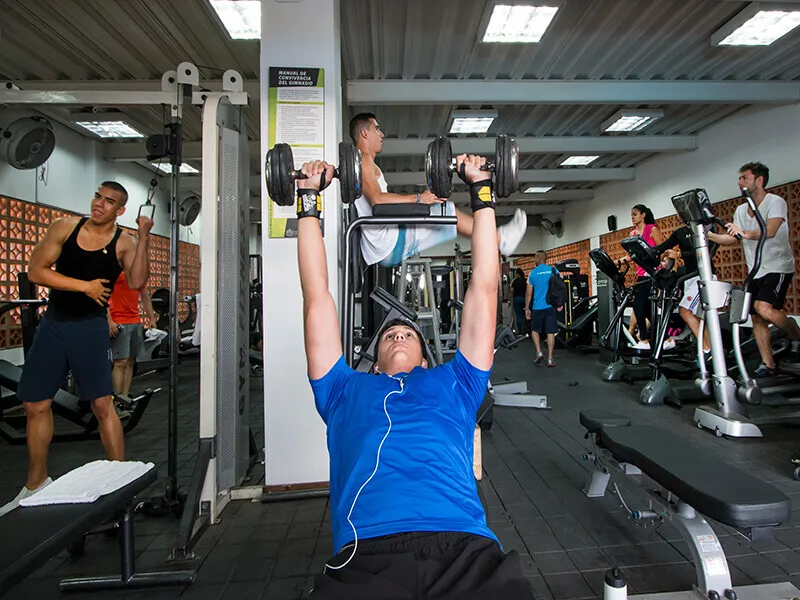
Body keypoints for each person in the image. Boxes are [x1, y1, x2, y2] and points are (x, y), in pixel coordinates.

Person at [296, 154, 538, 599]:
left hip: (465, 549)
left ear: (428, 359)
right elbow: (317, 297)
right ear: (373, 360)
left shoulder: (457, 384)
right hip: (366, 555)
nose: (400, 334)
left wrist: (482, 189)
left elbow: (484, 285)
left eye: (409, 333)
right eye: (391, 334)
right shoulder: (342, 390)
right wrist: (307, 200)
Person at [0, 182, 152, 517]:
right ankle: (36, 482)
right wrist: (84, 286)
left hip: (90, 328)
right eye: (97, 196)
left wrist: (145, 235)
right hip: (54, 324)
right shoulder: (65, 227)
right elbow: (36, 271)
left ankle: (120, 486)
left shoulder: (123, 242)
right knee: (35, 403)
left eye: (108, 201)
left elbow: (139, 281)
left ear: (120, 211)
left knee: (102, 405)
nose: (99, 204)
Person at [349, 113, 528, 266]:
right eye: (376, 128)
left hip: (382, 244)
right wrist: (419, 199)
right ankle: (500, 240)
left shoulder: (364, 162)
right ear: (364, 133)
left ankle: (496, 239)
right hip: (386, 244)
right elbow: (377, 200)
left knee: (444, 214)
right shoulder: (363, 161)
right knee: (447, 212)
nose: (382, 134)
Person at [708, 162, 800, 377]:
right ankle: (768, 365)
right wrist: (709, 236)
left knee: (763, 307)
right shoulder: (741, 210)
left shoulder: (774, 202)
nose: (740, 182)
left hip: (778, 266)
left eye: (744, 178)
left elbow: (771, 230)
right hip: (756, 270)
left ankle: (796, 335)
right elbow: (731, 238)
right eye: (739, 178)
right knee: (757, 318)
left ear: (759, 180)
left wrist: (744, 234)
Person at [653, 225, 716, 362]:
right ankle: (711, 351)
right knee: (699, 318)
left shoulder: (705, 227)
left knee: (684, 310)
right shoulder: (680, 232)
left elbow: (707, 250)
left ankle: (706, 349)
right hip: (690, 278)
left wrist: (680, 255)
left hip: (704, 276)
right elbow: (661, 247)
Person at [107, 271, 156, 398]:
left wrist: (151, 318)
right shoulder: (115, 270)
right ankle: (116, 402)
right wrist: (109, 321)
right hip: (118, 320)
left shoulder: (136, 274)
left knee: (130, 361)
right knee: (120, 362)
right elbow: (104, 295)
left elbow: (145, 296)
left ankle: (124, 398)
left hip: (135, 321)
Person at [623, 204, 664, 348]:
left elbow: (662, 250)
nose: (632, 217)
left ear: (643, 215)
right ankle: (666, 337)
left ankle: (644, 340)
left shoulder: (652, 229)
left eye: (635, 214)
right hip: (641, 275)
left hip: (652, 274)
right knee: (645, 309)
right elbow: (630, 257)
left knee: (638, 304)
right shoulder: (632, 235)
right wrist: (616, 262)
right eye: (631, 214)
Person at [524, 251, 561, 367]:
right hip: (550, 306)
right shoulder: (554, 271)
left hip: (537, 307)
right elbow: (559, 288)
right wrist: (560, 303)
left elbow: (529, 293)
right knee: (551, 332)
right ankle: (550, 358)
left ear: (537, 258)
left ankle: (539, 352)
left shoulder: (532, 273)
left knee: (534, 330)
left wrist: (527, 308)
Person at [510, 267, 528, 334]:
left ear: (517, 274)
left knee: (518, 315)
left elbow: (511, 291)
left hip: (517, 299)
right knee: (525, 314)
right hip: (525, 299)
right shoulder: (525, 280)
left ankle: (520, 331)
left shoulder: (515, 281)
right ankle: (526, 329)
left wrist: (509, 299)